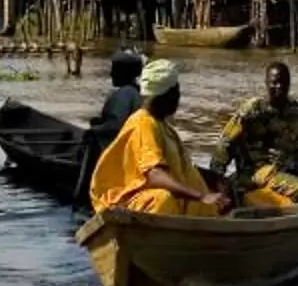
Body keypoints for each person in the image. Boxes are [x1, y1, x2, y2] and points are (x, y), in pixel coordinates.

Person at [86, 59, 226, 215]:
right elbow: (154, 175)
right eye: (176, 92)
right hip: (131, 203)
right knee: (163, 199)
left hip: (181, 207)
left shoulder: (165, 128)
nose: (179, 98)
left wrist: (214, 178)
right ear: (166, 95)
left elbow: (182, 167)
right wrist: (202, 196)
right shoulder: (143, 123)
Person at [222, 61, 298, 206]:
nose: (279, 87)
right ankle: (292, 211)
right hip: (258, 169)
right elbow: (225, 142)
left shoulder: (295, 110)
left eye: (284, 83)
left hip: (290, 163)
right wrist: (216, 179)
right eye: (274, 83)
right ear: (266, 83)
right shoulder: (252, 110)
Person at [90, 49, 145, 145]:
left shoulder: (124, 94)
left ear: (124, 73)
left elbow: (115, 126)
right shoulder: (136, 92)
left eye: (115, 70)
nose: (111, 74)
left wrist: (94, 131)